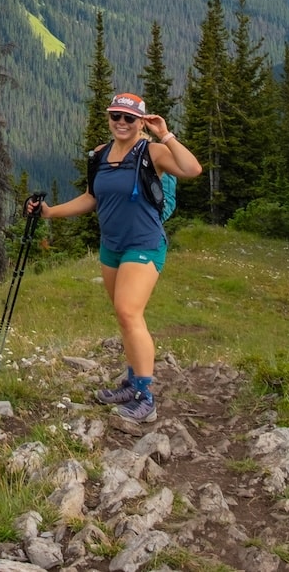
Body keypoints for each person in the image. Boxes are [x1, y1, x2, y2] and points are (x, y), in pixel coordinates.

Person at [28, 90, 202, 421]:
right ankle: (132, 383)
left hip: (144, 244)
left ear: (141, 122)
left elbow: (192, 169)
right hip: (112, 246)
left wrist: (165, 134)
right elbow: (91, 198)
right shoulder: (100, 155)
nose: (121, 122)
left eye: (129, 118)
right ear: (109, 118)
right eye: (116, 116)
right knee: (124, 317)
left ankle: (145, 398)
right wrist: (50, 213)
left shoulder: (154, 152)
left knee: (128, 312)